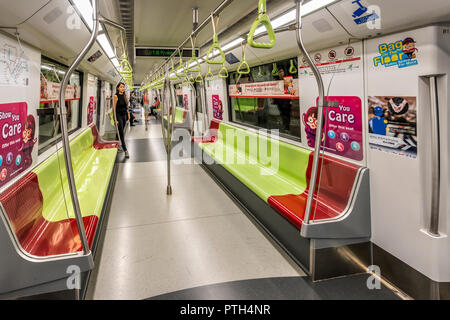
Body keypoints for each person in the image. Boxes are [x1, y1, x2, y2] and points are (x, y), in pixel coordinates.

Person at [114, 82, 130, 158]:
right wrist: (115, 119)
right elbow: (114, 109)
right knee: (122, 134)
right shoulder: (115, 96)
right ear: (117, 88)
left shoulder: (124, 96)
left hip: (124, 116)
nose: (122, 88)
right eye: (121, 87)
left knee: (121, 131)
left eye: (123, 87)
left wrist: (128, 114)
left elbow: (126, 107)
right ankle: (125, 150)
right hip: (118, 116)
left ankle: (116, 144)